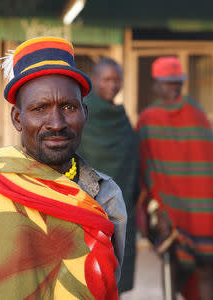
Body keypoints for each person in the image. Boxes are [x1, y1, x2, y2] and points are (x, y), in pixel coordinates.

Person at [0, 37, 127, 300]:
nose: (56, 123)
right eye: (39, 108)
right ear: (18, 118)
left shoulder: (106, 196)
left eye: (68, 107)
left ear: (85, 114)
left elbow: (107, 286)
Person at [136, 56, 213, 300]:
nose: (173, 87)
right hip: (183, 213)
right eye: (169, 82)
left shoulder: (188, 115)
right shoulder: (154, 119)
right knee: (187, 270)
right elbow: (145, 166)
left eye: (176, 82)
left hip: (191, 214)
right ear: (157, 85)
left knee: (194, 271)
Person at [78, 57, 139, 293]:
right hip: (90, 208)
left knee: (116, 278)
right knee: (89, 276)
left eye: (117, 80)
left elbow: (132, 159)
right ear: (95, 80)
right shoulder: (83, 114)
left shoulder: (121, 117)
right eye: (107, 79)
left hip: (123, 207)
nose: (113, 85)